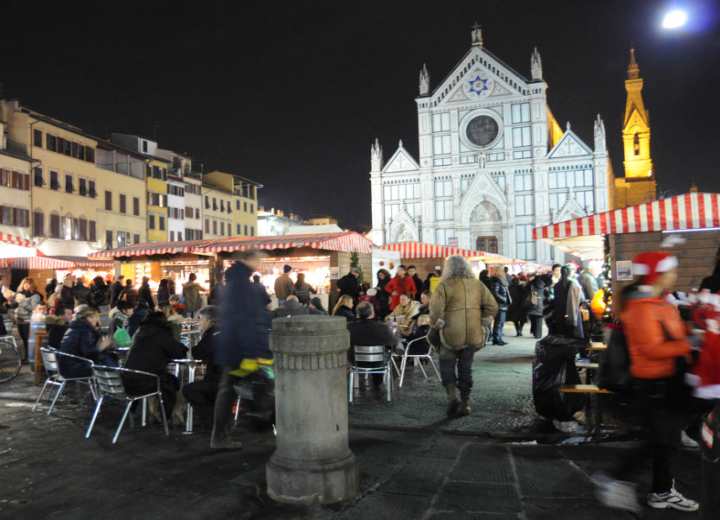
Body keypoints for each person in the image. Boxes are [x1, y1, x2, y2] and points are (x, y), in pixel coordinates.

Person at [594, 252, 699, 514]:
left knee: (665, 440)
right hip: (652, 383)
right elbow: (651, 348)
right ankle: (616, 478)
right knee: (658, 440)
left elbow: (670, 334)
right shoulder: (643, 307)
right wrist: (693, 342)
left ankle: (660, 491)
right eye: (671, 271)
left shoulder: (659, 302)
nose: (675, 275)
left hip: (666, 380)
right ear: (659, 275)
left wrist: (691, 330)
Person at [213, 250, 272, 449]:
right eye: (258, 259)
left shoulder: (231, 282)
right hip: (241, 348)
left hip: (231, 346)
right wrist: (255, 351)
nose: (260, 263)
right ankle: (223, 435)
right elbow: (247, 320)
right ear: (249, 260)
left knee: (228, 389)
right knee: (243, 387)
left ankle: (221, 435)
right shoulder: (244, 286)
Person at [430, 256, 498, 417]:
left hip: (450, 334)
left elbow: (435, 311)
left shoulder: (444, 286)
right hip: (473, 334)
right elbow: (493, 306)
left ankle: (452, 397)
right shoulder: (478, 285)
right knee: (465, 368)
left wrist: (436, 323)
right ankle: (466, 403)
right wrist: (484, 320)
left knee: (447, 365)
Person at [123, 311, 187, 419]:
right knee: (172, 382)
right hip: (145, 383)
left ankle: (150, 412)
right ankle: (165, 416)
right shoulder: (161, 335)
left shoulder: (139, 335)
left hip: (127, 382)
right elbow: (179, 352)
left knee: (165, 379)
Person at [182, 305, 221, 429]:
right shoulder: (224, 331)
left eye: (200, 319)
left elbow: (198, 352)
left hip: (219, 380)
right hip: (230, 376)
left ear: (209, 320)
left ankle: (211, 421)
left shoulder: (211, 334)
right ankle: (215, 417)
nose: (198, 322)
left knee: (189, 389)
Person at [348, 301, 399, 391]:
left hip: (356, 362)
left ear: (358, 314)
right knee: (384, 353)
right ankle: (377, 383)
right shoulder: (382, 327)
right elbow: (393, 343)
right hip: (378, 362)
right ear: (372, 313)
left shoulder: (350, 327)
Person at [57, 305, 115, 378]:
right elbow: (88, 353)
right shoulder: (84, 330)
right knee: (109, 363)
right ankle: (113, 385)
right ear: (89, 318)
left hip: (65, 367)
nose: (97, 320)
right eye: (96, 317)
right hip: (75, 368)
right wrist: (101, 347)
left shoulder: (75, 327)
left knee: (106, 360)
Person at [547, 265, 585, 339]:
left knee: (561, 334)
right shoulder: (573, 284)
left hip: (559, 314)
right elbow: (581, 298)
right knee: (571, 334)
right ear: (569, 273)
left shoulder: (556, 285)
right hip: (571, 312)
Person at [14, 278, 43, 362]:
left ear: (32, 285)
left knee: (28, 340)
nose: (26, 285)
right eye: (24, 283)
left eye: (28, 283)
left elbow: (33, 308)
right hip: (19, 320)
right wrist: (11, 302)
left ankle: (29, 358)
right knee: (23, 339)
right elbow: (14, 306)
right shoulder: (19, 294)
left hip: (28, 320)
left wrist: (23, 301)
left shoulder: (35, 295)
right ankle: (27, 356)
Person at [489, 267, 511, 346]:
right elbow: (495, 293)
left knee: (501, 323)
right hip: (500, 305)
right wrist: (504, 299)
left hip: (503, 305)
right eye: (502, 271)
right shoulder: (496, 281)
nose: (503, 272)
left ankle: (499, 338)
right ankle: (496, 339)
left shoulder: (500, 280)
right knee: (498, 323)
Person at [527, 274, 546, 339]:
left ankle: (534, 332)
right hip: (540, 304)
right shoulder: (543, 285)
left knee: (533, 319)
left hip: (533, 303)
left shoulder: (531, 285)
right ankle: (538, 334)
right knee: (539, 320)